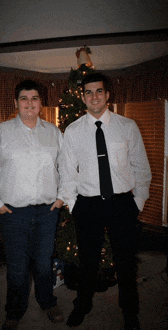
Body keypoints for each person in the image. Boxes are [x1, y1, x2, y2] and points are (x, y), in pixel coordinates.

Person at [60, 72, 151, 330]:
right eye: (88, 92)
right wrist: (73, 204)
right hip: (88, 205)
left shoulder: (127, 126)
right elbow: (67, 172)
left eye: (99, 91)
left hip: (122, 204)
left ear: (108, 94)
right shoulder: (73, 131)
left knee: (125, 262)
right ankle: (83, 304)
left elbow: (141, 168)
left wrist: (138, 201)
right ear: (83, 97)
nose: (94, 97)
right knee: (88, 262)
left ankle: (130, 311)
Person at [0, 79, 65, 330]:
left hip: (47, 212)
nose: (29, 103)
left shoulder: (53, 133)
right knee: (17, 267)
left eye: (34, 98)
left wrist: (61, 197)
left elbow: (66, 168)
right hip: (13, 213)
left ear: (41, 103)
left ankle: (47, 302)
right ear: (16, 102)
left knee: (44, 263)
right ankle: (14, 311)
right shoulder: (1, 132)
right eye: (24, 98)